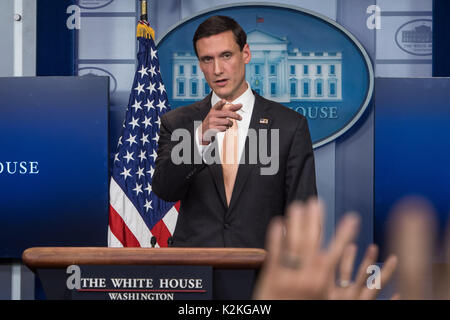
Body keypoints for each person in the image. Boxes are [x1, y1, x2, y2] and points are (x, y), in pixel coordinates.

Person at [152, 15, 317, 248]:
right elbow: (165, 189)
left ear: (246, 54)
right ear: (200, 65)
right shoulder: (178, 122)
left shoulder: (290, 125)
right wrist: (199, 139)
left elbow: (303, 213)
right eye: (207, 59)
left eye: (226, 56)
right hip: (197, 271)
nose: (217, 69)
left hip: (262, 271)